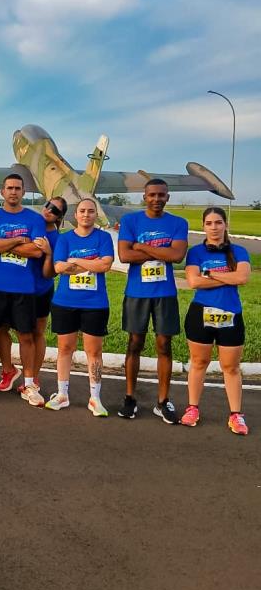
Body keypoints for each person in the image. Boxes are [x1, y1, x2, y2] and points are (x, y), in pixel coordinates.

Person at [117, 179, 188, 423]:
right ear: (144, 197)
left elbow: (177, 255)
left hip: (164, 293)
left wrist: (141, 245)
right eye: (152, 195)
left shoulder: (178, 223)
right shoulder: (130, 221)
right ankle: (129, 398)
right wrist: (160, 251)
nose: (156, 199)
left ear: (167, 197)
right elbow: (125, 255)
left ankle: (162, 401)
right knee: (134, 343)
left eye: (161, 195)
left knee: (164, 345)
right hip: (137, 292)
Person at [0, 174, 48, 406]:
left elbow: (36, 252)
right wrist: (19, 241)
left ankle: (28, 384)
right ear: (2, 192)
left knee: (26, 336)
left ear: (23, 192)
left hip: (24, 288)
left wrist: (3, 243)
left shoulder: (35, 219)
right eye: (9, 188)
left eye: (17, 188)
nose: (13, 192)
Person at [181, 207, 251, 435]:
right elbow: (193, 282)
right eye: (209, 223)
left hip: (231, 314)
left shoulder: (239, 251)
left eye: (218, 222)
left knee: (230, 367)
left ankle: (236, 415)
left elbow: (242, 277)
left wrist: (210, 275)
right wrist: (227, 278)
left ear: (225, 225)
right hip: (200, 314)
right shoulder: (196, 252)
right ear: (204, 227)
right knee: (198, 363)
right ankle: (193, 408)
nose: (214, 227)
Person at [46, 198, 114, 416]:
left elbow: (105, 265)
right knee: (65, 348)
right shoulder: (65, 239)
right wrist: (90, 262)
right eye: (82, 211)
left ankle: (95, 398)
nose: (86, 215)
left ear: (96, 215)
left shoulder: (103, 237)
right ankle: (62, 394)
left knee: (93, 351)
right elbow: (59, 267)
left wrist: (75, 261)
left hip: (94, 304)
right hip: (65, 302)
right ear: (75, 215)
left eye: (91, 211)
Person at [0, 197, 68, 394]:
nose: (48, 210)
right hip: (15, 287)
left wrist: (48, 253)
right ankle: (8, 370)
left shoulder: (57, 239)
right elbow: (2, 223)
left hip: (40, 290)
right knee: (0, 328)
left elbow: (50, 273)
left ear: (60, 217)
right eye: (47, 205)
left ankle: (33, 377)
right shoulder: (30, 222)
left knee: (35, 334)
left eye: (55, 210)